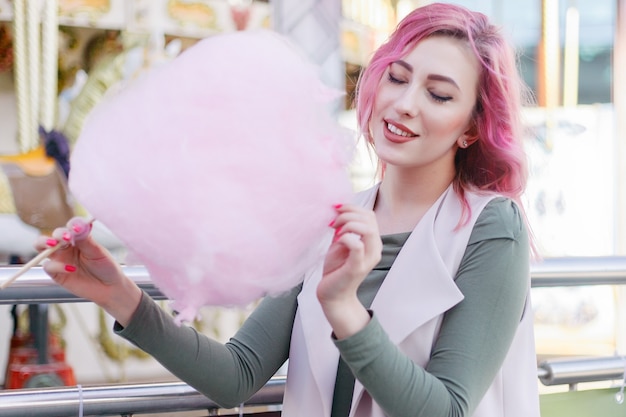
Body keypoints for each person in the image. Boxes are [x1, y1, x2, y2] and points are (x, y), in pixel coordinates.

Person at [36, 3, 540, 416]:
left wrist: (344, 307)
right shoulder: (330, 218)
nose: (405, 103)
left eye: (437, 94)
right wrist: (119, 295)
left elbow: (446, 410)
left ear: (472, 127)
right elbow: (237, 374)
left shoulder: (491, 227)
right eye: (398, 77)